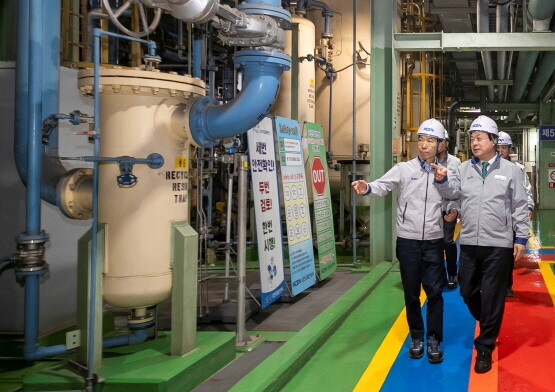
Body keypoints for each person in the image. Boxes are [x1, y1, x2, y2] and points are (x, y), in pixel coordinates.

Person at [432, 115, 529, 374]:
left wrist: (521, 237)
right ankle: (488, 321)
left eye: (479, 138)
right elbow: (453, 194)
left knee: (493, 296)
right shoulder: (463, 169)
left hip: (498, 243)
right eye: (471, 139)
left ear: (494, 141)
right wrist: (444, 186)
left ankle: (485, 345)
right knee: (467, 291)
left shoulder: (511, 171)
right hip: (470, 241)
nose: (474, 143)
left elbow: (519, 205)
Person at [352, 118, 446, 364]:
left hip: (434, 240)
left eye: (431, 141)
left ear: (440, 145)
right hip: (408, 241)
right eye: (422, 140)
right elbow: (382, 185)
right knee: (411, 292)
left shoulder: (444, 173)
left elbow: (454, 196)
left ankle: (434, 338)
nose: (424, 145)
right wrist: (367, 188)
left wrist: (453, 207)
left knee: (435, 292)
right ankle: (417, 336)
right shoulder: (404, 169)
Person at [497, 131, 535, 297]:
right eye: (497, 147)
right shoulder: (487, 168)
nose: (500, 151)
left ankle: (506, 286)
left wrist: (529, 207)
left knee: (507, 255)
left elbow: (527, 190)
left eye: (503, 147)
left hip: (511, 217)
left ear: (509, 149)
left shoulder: (517, 169)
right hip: (494, 218)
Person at [437, 130, 461, 289]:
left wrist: (456, 209)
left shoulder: (455, 162)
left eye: (441, 140)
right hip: (430, 208)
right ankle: (437, 275)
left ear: (446, 143)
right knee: (433, 243)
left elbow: (458, 188)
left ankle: (452, 272)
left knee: (447, 241)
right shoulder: (425, 161)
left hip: (447, 207)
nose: (438, 144)